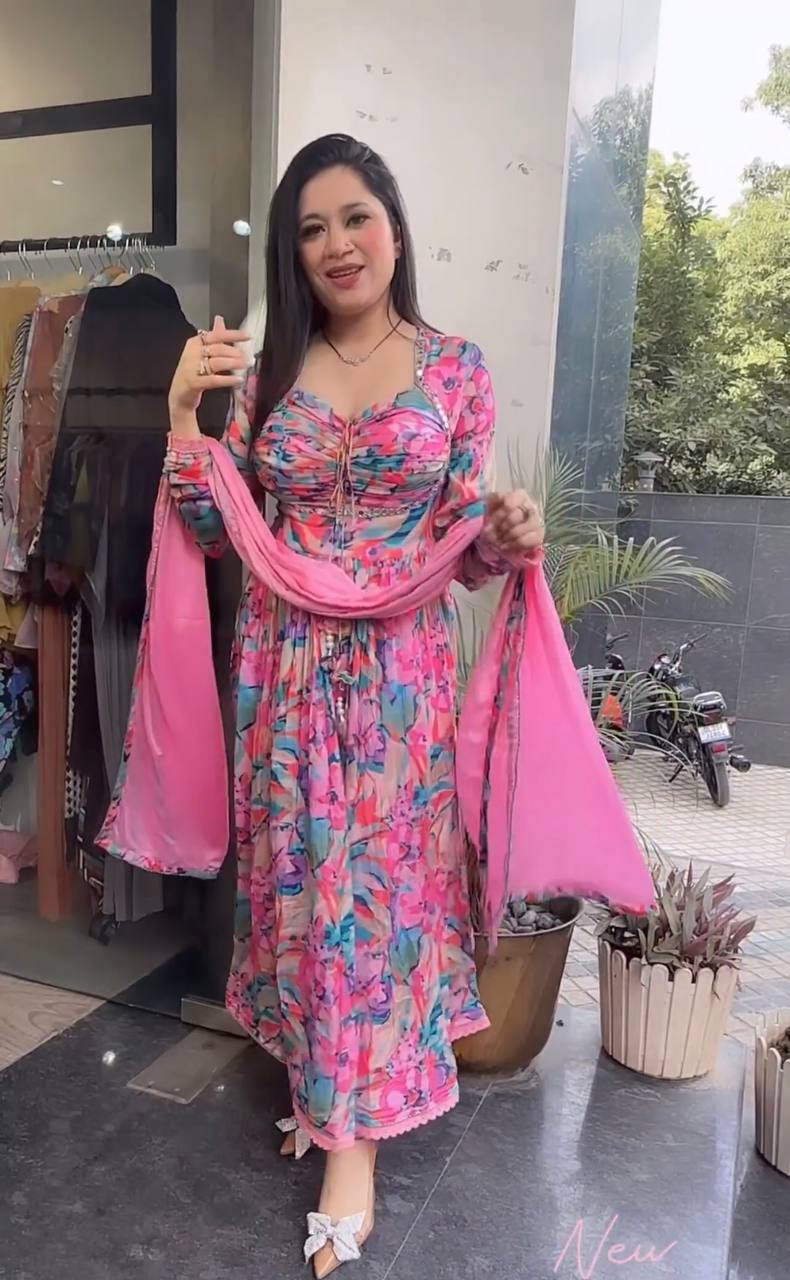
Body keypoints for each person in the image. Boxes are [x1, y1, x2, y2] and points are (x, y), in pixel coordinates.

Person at [164, 134, 544, 1276]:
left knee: (373, 902)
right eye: (311, 228)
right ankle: (323, 1086)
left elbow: (464, 546)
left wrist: (504, 535)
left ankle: (353, 1144)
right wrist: (183, 418)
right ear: (292, 252)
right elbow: (214, 524)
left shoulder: (456, 370)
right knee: (300, 882)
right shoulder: (270, 374)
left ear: (394, 225)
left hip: (394, 681)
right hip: (282, 670)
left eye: (355, 216)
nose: (336, 244)